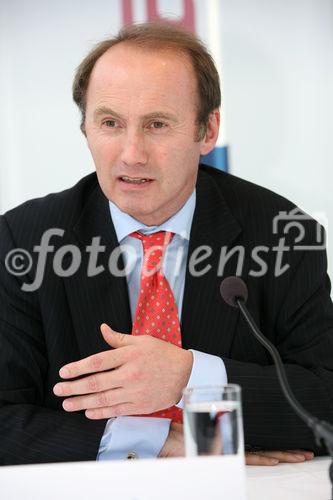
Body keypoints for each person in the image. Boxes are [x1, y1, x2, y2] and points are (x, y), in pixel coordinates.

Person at [0, 22, 332, 467]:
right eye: (110, 123)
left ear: (207, 130)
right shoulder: (23, 239)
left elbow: (326, 397)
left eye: (157, 124)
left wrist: (189, 377)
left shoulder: (283, 234)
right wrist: (153, 439)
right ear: (85, 128)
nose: (132, 153)